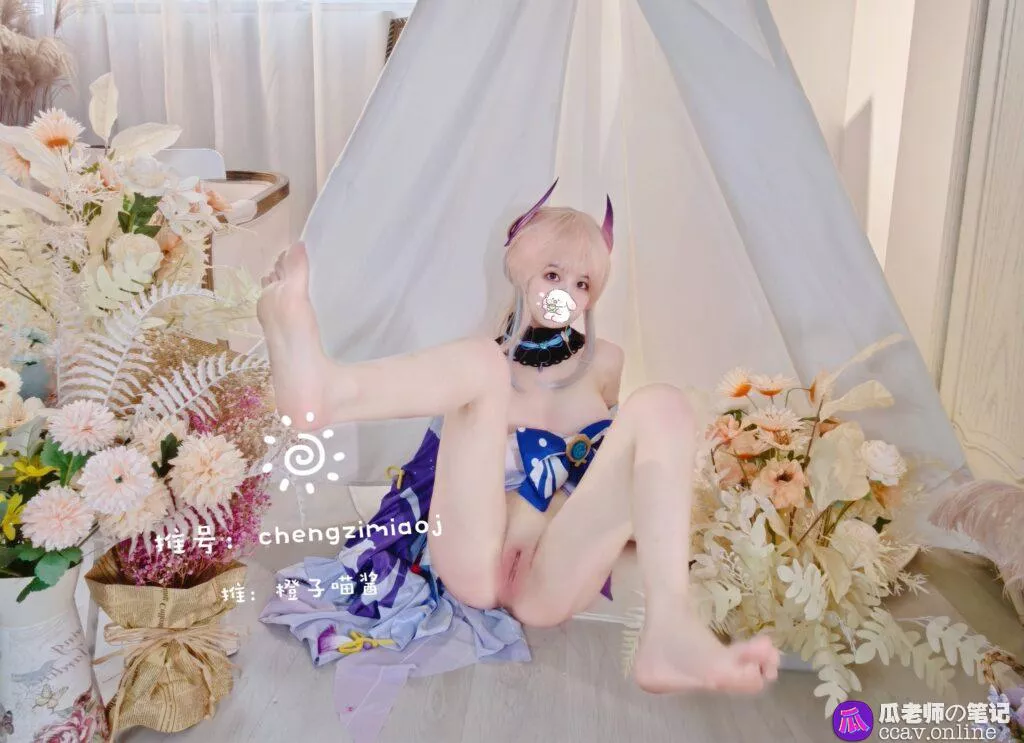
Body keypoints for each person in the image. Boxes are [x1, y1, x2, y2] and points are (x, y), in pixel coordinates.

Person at [257, 183, 780, 694]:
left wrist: (652, 529)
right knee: (484, 362)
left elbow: (612, 476)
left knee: (664, 403)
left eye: (582, 283)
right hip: (472, 556)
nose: (566, 294)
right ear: (519, 269)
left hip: (552, 576)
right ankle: (328, 393)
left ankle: (668, 628)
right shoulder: (476, 363)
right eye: (552, 274)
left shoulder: (606, 363)